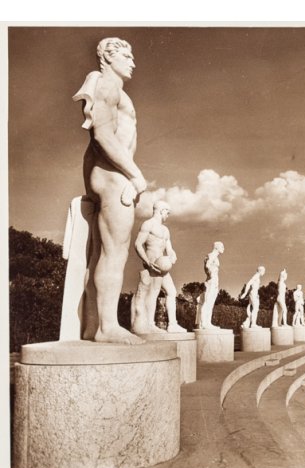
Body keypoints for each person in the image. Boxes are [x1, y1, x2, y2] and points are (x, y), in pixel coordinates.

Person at [73, 37, 147, 344]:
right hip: (113, 175)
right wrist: (136, 175)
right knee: (113, 252)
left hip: (111, 174)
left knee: (102, 253)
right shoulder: (105, 85)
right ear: (108, 57)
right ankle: (107, 327)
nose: (132, 61)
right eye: (126, 55)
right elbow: (102, 136)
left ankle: (94, 326)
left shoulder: (115, 89)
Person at [131, 201, 186, 334]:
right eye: (167, 212)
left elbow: (170, 249)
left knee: (172, 292)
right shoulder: (148, 224)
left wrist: (173, 256)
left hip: (163, 264)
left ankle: (172, 324)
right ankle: (150, 324)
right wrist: (147, 262)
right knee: (154, 292)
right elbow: (138, 244)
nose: (168, 215)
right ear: (161, 210)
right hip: (153, 262)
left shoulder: (165, 230)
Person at [197, 241, 224, 329]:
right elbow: (207, 265)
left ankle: (208, 322)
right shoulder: (211, 255)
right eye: (222, 246)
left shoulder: (215, 257)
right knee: (207, 301)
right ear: (216, 247)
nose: (223, 248)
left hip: (214, 281)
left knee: (211, 303)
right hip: (211, 281)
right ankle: (203, 323)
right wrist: (209, 273)